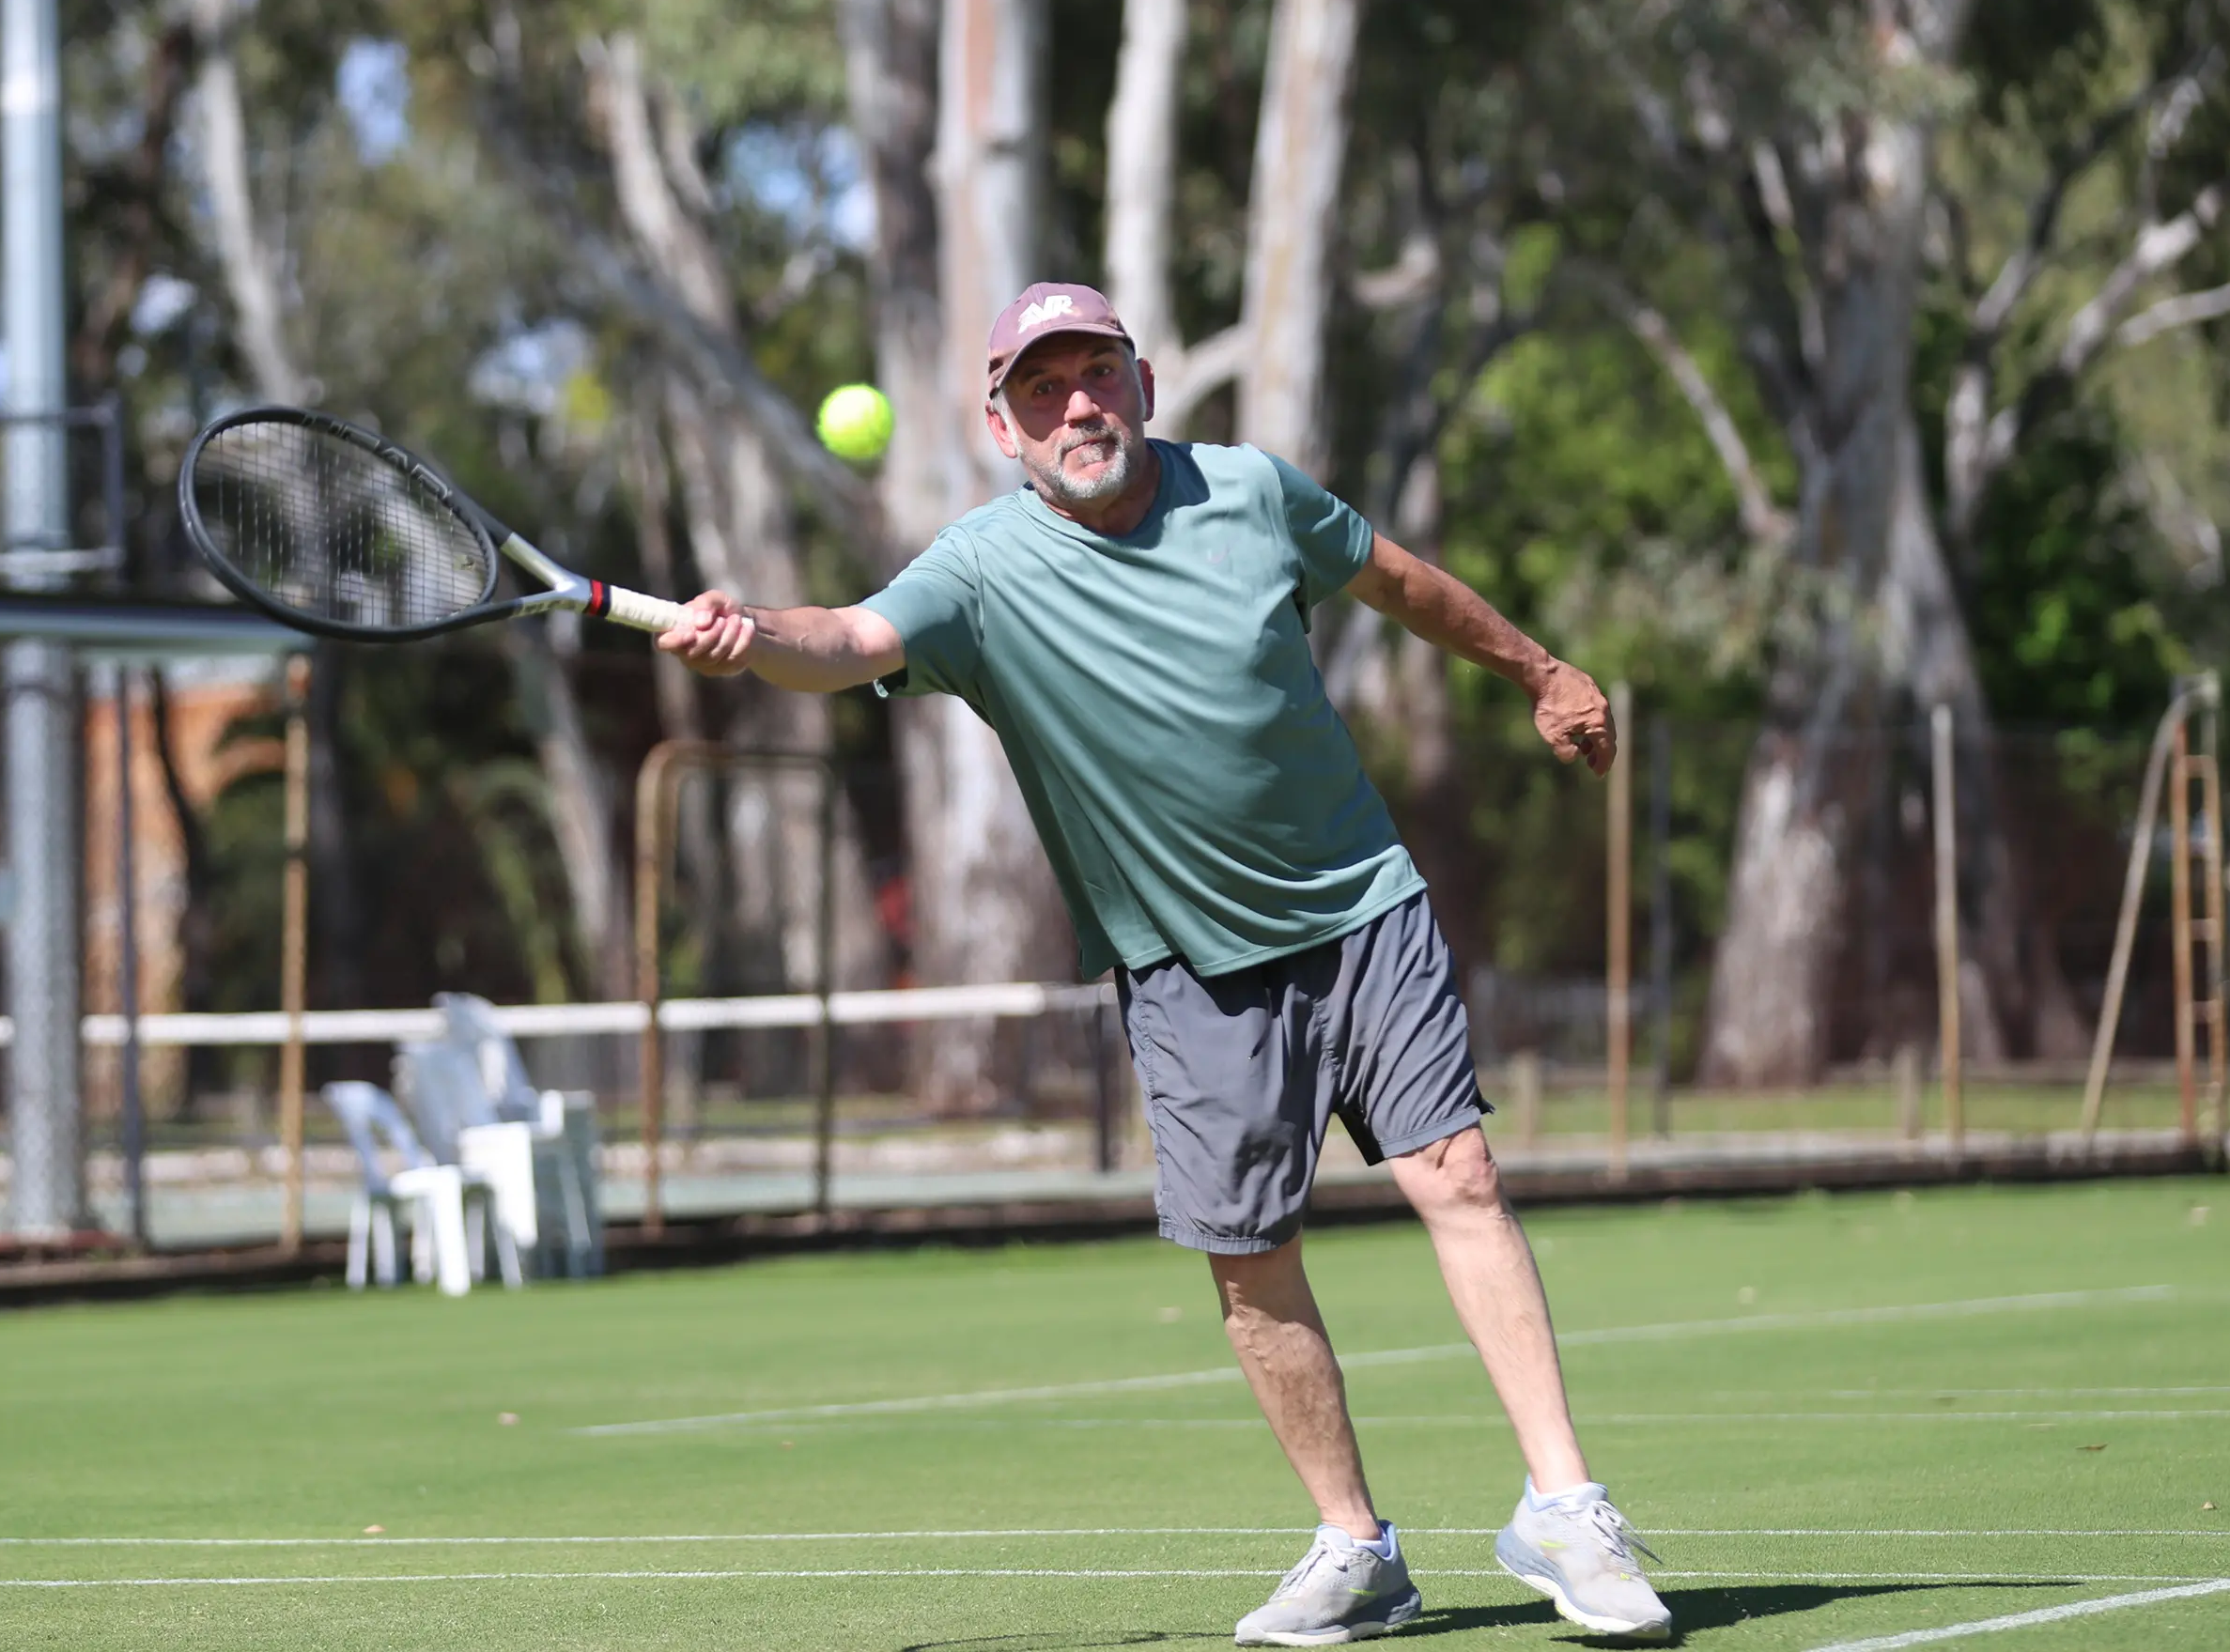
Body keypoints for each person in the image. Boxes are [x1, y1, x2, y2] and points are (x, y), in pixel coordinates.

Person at [659, 282, 1672, 1646]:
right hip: (1187, 964)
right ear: (1002, 425)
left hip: (1359, 901)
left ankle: (1565, 1509)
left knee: (1461, 1173)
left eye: (1095, 376)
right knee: (1251, 1257)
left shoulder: (1250, 492)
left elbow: (1393, 579)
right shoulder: (976, 568)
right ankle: (1355, 1548)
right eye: (1041, 390)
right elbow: (848, 640)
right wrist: (749, 635)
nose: (1074, 406)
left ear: (1139, 383)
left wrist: (1538, 668)